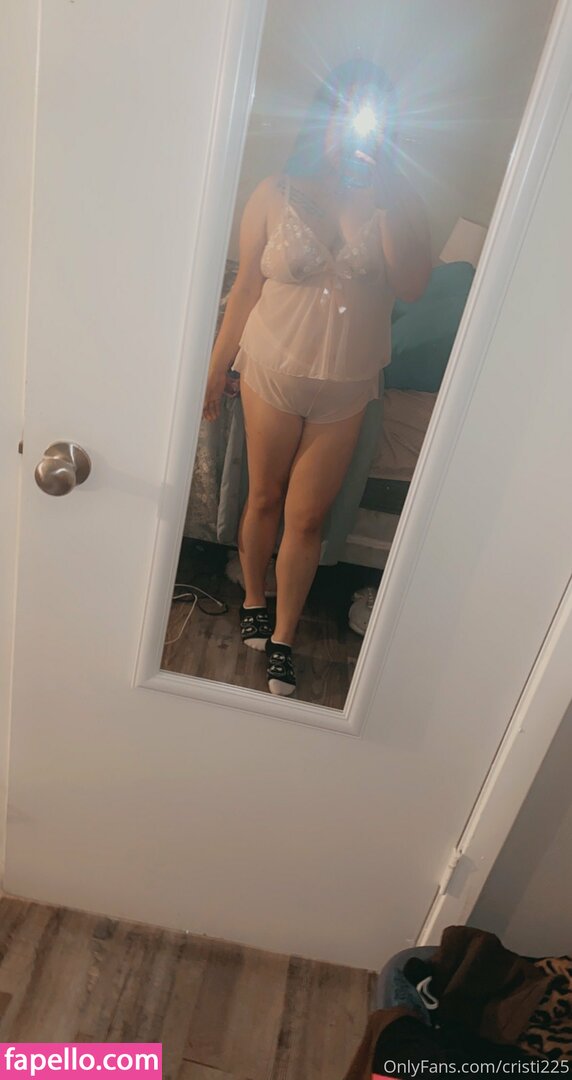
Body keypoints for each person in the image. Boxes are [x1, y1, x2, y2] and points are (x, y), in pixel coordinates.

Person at [203, 59, 431, 696]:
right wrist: (216, 368)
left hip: (347, 386)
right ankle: (254, 596)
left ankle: (284, 635)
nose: (356, 126)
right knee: (264, 497)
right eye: (346, 110)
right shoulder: (274, 190)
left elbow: (414, 285)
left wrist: (391, 189)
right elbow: (245, 288)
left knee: (307, 519)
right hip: (271, 367)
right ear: (325, 116)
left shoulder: (396, 200)